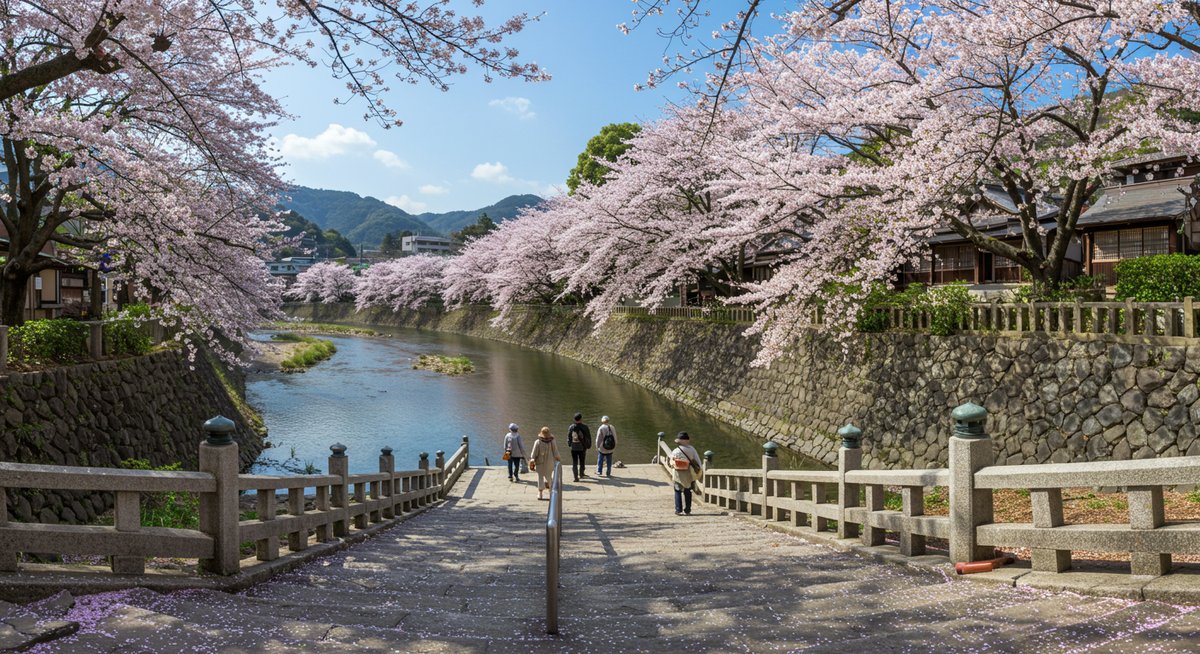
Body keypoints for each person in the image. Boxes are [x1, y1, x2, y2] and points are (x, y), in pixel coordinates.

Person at [670, 432, 702, 516]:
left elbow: (671, 462)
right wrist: (699, 470)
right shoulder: (691, 449)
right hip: (688, 473)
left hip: (678, 473)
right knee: (688, 491)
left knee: (677, 490)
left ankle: (678, 510)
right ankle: (687, 510)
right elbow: (697, 460)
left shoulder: (675, 451)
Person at [529, 426, 561, 500]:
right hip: (550, 462)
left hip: (540, 462)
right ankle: (551, 492)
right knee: (549, 477)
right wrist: (558, 459)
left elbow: (534, 453)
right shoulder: (552, 441)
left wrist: (532, 460)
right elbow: (556, 452)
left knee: (540, 477)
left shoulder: (537, 442)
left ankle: (540, 493)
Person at [566, 412, 592, 482]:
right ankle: (581, 474)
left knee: (574, 462)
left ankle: (575, 477)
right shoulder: (585, 427)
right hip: (582, 447)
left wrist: (570, 444)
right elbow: (588, 437)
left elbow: (568, 436)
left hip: (573, 447)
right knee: (582, 461)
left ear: (574, 419)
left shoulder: (571, 427)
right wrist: (588, 445)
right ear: (581, 419)